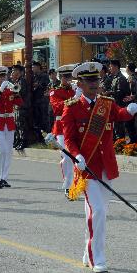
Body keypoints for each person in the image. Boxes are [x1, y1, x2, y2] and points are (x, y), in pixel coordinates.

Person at [60, 62, 137, 273]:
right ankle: (98, 258)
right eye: (90, 81)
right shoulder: (72, 107)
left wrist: (129, 111)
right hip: (87, 167)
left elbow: (118, 114)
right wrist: (76, 155)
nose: (95, 84)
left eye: (97, 80)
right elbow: (69, 138)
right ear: (80, 83)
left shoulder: (106, 103)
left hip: (105, 166)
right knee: (99, 211)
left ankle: (88, 251)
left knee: (96, 212)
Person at [0, 66, 23, 188]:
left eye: (4, 76)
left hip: (10, 122)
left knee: (8, 151)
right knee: (1, 151)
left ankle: (4, 177)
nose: (2, 78)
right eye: (0, 77)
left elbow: (19, 103)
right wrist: (1, 89)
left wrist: (16, 92)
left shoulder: (11, 90)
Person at [49, 64, 80, 196]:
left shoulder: (77, 90)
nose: (68, 79)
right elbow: (57, 108)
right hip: (61, 126)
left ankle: (76, 182)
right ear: (61, 78)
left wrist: (79, 93)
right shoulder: (55, 92)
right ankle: (68, 184)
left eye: (70, 77)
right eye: (66, 77)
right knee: (67, 156)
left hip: (75, 125)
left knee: (76, 155)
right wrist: (74, 98)